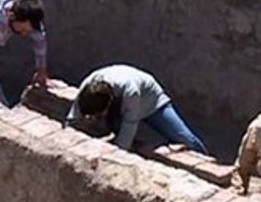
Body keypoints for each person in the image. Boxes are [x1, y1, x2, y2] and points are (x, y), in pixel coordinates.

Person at [65, 64, 209, 155]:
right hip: (120, 105)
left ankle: (207, 163)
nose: (96, 118)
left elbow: (129, 127)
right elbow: (73, 118)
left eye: (98, 114)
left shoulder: (130, 91)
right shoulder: (88, 87)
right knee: (116, 131)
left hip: (152, 101)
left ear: (107, 104)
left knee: (183, 138)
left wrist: (117, 157)